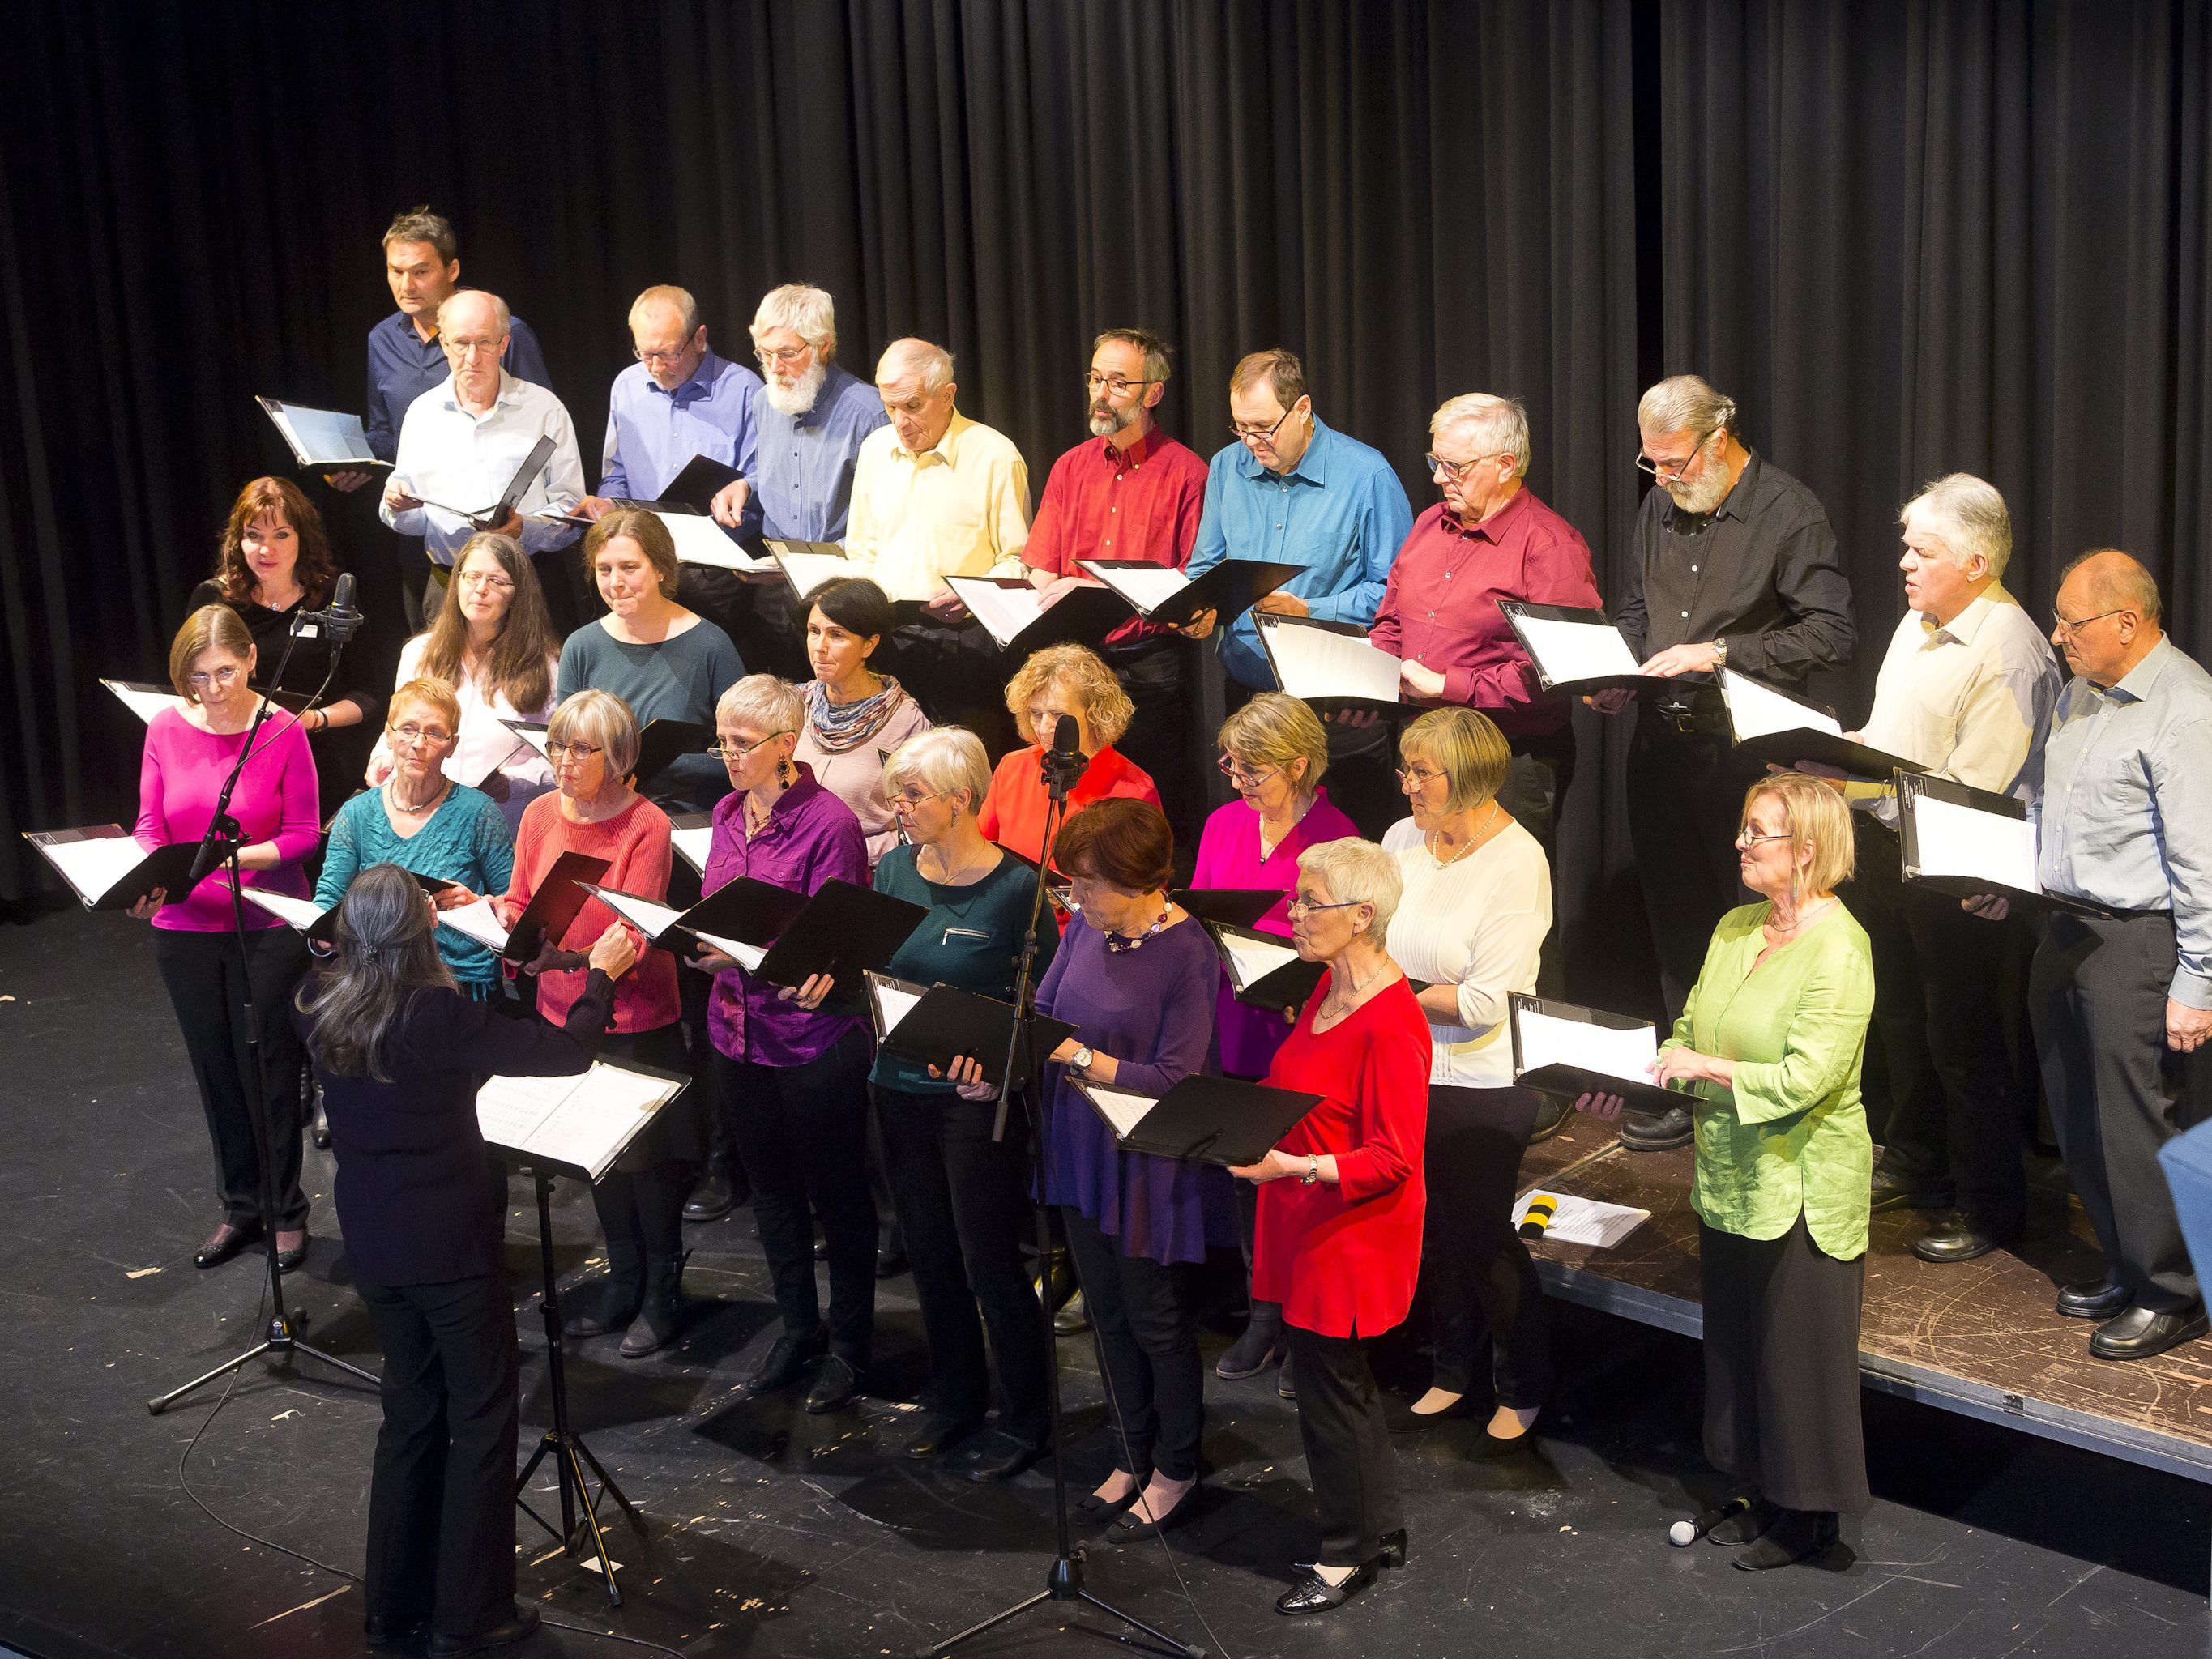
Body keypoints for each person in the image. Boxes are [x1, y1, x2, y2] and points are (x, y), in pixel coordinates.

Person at [297, 863, 637, 1656]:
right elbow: (563, 1050)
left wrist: (527, 966)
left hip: (375, 1243)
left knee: (409, 1414)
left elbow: (462, 1033)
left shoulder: (314, 1002)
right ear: (420, 934)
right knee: (482, 1418)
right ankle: (471, 1608)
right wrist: (599, 979)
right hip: (448, 1246)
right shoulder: (435, 1013)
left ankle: (391, 1608)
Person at [1575, 773, 1874, 1569]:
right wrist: (1667, 1060)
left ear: (1806, 849)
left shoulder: (1841, 947)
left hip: (1801, 1184)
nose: (1740, 842)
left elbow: (1806, 1079)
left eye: (1758, 831)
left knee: (1796, 1355)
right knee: (1742, 1347)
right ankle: (1761, 1485)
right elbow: (1688, 1022)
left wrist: (1702, 1069)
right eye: (1743, 828)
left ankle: (1811, 1519)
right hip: (1734, 1173)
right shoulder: (1738, 926)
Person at [1597, 373, 1856, 1151]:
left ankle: (1756, 1083)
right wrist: (1615, 670)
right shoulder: (1658, 507)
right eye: (1654, 466)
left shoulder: (1788, 511)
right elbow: (1639, 611)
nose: (1666, 480)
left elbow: (1831, 634)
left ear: (1719, 441)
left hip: (1747, 757)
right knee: (1677, 920)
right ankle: (1688, 1082)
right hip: (1659, 744)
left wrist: (1718, 653)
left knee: (1751, 924)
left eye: (1676, 463)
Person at [949, 799, 1218, 1537]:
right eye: (1071, 884)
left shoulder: (1189, 950)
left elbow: (1176, 1078)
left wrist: (1085, 1060)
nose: (1076, 898)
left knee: (1155, 1320)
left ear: (1139, 880)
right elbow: (1041, 1014)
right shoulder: (1086, 930)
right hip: (1077, 1146)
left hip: (1142, 1160)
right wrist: (999, 1071)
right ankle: (1132, 1454)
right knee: (1106, 1317)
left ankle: (1177, 1466)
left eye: (1089, 885)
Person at [1992, 550, 2212, 1361]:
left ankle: (2170, 1292)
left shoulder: (2185, 710)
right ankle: (2125, 1263)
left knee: (2135, 1123)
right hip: (2065, 926)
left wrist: (2198, 980)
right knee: (2077, 1114)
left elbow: (2203, 862)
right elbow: (2045, 802)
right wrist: (2003, 873)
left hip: (2138, 940)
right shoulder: (2081, 693)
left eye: (2070, 621)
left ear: (2128, 621)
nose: (2056, 636)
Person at [1843, 476, 2059, 1262]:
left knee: (1963, 1042)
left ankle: (1990, 1203)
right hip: (1891, 853)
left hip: (1962, 872)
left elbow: (1971, 793)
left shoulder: (2010, 651)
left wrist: (1855, 776)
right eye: (1907, 545)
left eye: (1921, 551)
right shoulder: (1921, 621)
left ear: (1974, 561)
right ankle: (1916, 1161)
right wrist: (1837, 754)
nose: (1903, 561)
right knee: (1900, 1018)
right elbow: (1891, 740)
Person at [1232, 838, 1429, 1614]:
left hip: (1349, 1229)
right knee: (1338, 1388)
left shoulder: (1391, 1021)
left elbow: (1394, 1157)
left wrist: (1296, 1169)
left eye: (1309, 902)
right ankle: (1378, 1528)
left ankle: (1346, 1557)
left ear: (1362, 915)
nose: (1293, 913)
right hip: (1303, 1214)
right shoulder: (1327, 988)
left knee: (1328, 1392)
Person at [869, 727, 1058, 1478]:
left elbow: (1047, 997)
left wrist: (1007, 1067)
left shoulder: (1017, 887)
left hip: (974, 1099)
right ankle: (955, 1394)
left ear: (961, 800)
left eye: (912, 795)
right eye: (895, 794)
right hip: (898, 1088)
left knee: (988, 1258)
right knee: (930, 1250)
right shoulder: (891, 871)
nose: (898, 807)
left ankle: (1026, 1416)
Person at [687, 676, 878, 1412]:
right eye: (723, 741)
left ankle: (851, 1346)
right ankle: (799, 1328)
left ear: (785, 744)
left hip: (809, 1039)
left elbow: (833, 942)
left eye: (742, 744)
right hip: (736, 1031)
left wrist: (758, 954)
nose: (729, 756)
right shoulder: (728, 811)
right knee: (770, 1194)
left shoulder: (828, 823)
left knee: (838, 1197)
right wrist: (707, 946)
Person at [502, 689, 691, 1358]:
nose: (565, 761)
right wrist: (509, 921)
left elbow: (633, 933)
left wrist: (571, 959)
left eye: (582, 749)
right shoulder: (536, 814)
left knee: (646, 1164)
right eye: (557, 744)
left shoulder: (647, 824)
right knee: (600, 1160)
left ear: (618, 758)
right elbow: (525, 898)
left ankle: (664, 1294)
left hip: (633, 1013)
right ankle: (624, 1279)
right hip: (565, 1011)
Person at [1381, 709, 1552, 1444]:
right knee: (1429, 1233)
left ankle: (1523, 1382)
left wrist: (1393, 995)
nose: (1408, 784)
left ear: (1474, 777)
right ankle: (1452, 1369)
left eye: (1424, 772)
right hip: (1406, 1066)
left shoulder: (1518, 860)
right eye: (1406, 768)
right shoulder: (1400, 841)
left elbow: (1485, 1002)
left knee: (1481, 1236)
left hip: (1482, 1081)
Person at [132, 606, 321, 1273]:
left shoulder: (282, 731)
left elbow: (304, 832)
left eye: (222, 672)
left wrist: (243, 860)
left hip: (266, 924)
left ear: (250, 661)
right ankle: (241, 1205)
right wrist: (148, 877)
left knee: (268, 1066)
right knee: (215, 1068)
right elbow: (150, 825)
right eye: (196, 676)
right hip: (184, 928)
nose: (210, 689)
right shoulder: (163, 727)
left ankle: (286, 1210)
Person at [1191, 693, 1359, 1382]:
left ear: (1299, 765)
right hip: (1229, 1022)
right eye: (1233, 767)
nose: (1240, 782)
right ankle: (1263, 1313)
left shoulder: (1339, 838)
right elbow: (1201, 909)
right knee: (1242, 1179)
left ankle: (1303, 1324)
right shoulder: (1224, 823)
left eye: (1254, 772)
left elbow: (1352, 944)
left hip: (1298, 1030)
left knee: (1297, 1180)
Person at [1177, 348, 1414, 835]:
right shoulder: (1227, 467)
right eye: (1240, 427)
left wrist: (1309, 609)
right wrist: (1197, 608)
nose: (1251, 442)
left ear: (1302, 408)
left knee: (1343, 856)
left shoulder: (1366, 474)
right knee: (1257, 851)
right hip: (1250, 698)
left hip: (1333, 707)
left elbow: (1398, 595)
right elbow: (1205, 566)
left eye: (1263, 427)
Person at [1369, 393, 1601, 891]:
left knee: (1506, 911)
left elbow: (1559, 676)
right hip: (1418, 748)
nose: (1437, 477)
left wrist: (1448, 685)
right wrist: (1366, 685)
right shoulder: (1430, 524)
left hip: (1505, 759)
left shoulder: (1550, 545)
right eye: (1435, 461)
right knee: (1421, 900)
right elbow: (1390, 623)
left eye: (1454, 465)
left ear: (1506, 465)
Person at [1022, 328, 1211, 849]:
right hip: (1074, 657)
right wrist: (1050, 592)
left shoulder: (1187, 474)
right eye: (1096, 379)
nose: (1101, 393)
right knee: (1074, 803)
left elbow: (1193, 579)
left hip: (1146, 665)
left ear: (1153, 393)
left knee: (1137, 810)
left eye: (1119, 383)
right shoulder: (1070, 466)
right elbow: (1040, 564)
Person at [842, 337, 1031, 750]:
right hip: (887, 637)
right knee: (889, 770)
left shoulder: (995, 456)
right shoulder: (875, 450)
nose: (900, 420)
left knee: (959, 770)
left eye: (912, 406)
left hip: (964, 642)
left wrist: (972, 594)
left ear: (948, 396)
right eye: (890, 407)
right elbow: (861, 549)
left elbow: (1017, 561)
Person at [707, 283, 889, 682]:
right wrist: (746, 486)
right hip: (774, 594)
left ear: (822, 346)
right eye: (764, 353)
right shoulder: (764, 402)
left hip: (843, 594)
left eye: (787, 353)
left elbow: (889, 519)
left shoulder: (869, 412)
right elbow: (774, 472)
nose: (773, 367)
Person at [381, 289, 586, 631]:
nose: (472, 357)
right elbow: (410, 521)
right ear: (444, 344)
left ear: (504, 344)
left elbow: (572, 508)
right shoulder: (422, 413)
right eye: (461, 343)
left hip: (527, 585)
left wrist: (527, 528)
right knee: (444, 686)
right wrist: (400, 506)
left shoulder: (544, 409)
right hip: (448, 585)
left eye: (485, 343)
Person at [584, 284, 763, 648]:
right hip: (641, 568)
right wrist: (609, 506)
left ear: (699, 339)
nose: (654, 367)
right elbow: (616, 472)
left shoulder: (745, 391)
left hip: (715, 575)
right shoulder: (626, 387)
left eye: (667, 354)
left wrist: (742, 494)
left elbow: (761, 484)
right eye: (644, 353)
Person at [189, 476, 380, 812]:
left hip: (316, 759)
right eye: (254, 536)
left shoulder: (335, 598)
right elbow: (188, 686)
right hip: (232, 760)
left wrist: (314, 720)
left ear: (302, 537)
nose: (266, 550)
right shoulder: (214, 598)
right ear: (238, 540)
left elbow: (369, 694)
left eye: (281, 535)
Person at [320, 679, 516, 996]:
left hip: (459, 982)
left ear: (452, 745)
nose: (418, 743)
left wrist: (477, 905)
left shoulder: (478, 811)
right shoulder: (356, 813)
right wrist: (321, 932)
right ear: (388, 733)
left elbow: (513, 901)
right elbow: (330, 899)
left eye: (435, 733)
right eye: (408, 728)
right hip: (376, 979)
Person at [367, 531, 560, 834]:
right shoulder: (419, 653)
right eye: (471, 577)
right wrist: (381, 757)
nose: (480, 590)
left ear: (518, 593)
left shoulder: (547, 668)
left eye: (497, 581)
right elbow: (393, 729)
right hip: (418, 821)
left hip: (498, 825)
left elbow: (558, 761)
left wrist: (512, 782)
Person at [557, 509, 746, 815]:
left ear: (661, 568)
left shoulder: (711, 646)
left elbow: (747, 752)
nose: (615, 582)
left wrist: (646, 764)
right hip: (600, 815)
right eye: (604, 569)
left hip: (684, 815)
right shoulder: (581, 646)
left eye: (629, 567)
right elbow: (565, 747)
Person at [354, 207, 551, 480]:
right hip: (420, 507)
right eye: (396, 271)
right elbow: (386, 433)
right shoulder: (382, 339)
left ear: (452, 270)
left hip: (494, 502)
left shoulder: (506, 332)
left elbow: (544, 426)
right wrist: (351, 461)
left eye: (421, 272)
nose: (407, 286)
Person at [978, 643, 1161, 872]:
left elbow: (1144, 884)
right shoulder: (1012, 766)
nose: (1044, 729)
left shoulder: (1134, 789)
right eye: (1035, 714)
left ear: (1096, 714)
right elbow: (980, 850)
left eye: (1058, 715)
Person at [792, 575, 932, 867]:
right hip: (786, 860)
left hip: (860, 873)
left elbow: (924, 821)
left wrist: (850, 850)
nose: (819, 646)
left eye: (837, 635)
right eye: (814, 631)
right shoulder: (794, 704)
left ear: (869, 645)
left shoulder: (906, 723)